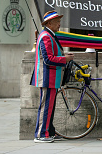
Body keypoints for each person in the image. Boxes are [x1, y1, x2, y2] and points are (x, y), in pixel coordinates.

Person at [30, 11, 74, 143]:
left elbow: (52, 54)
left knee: (50, 106)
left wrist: (63, 56)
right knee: (46, 106)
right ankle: (41, 134)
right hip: (47, 77)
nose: (59, 24)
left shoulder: (49, 35)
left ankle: (49, 132)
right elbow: (48, 59)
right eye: (57, 22)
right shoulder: (46, 36)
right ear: (49, 23)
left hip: (52, 77)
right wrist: (64, 59)